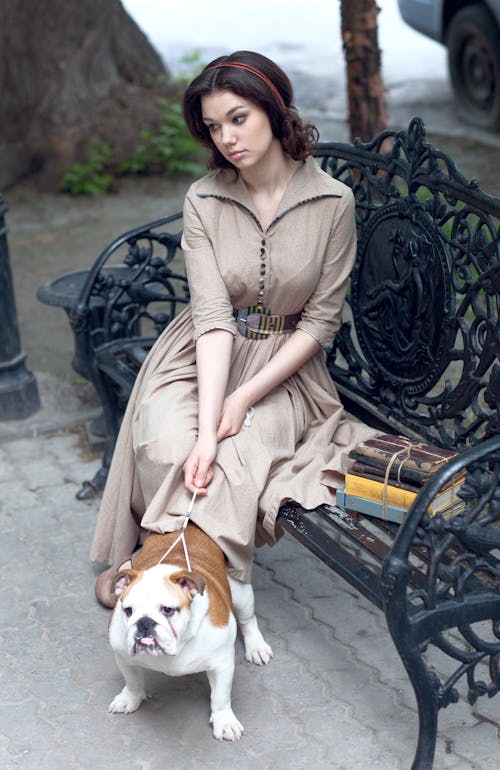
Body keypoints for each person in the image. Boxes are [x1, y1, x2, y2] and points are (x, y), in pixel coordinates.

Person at [91, 50, 376, 608]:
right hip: (199, 352)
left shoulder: (333, 203)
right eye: (214, 126)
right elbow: (214, 317)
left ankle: (153, 571)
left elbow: (320, 322)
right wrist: (206, 425)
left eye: (238, 118)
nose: (226, 138)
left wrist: (243, 399)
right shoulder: (204, 198)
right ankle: (176, 577)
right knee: (173, 440)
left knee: (238, 453)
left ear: (274, 110)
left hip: (284, 370)